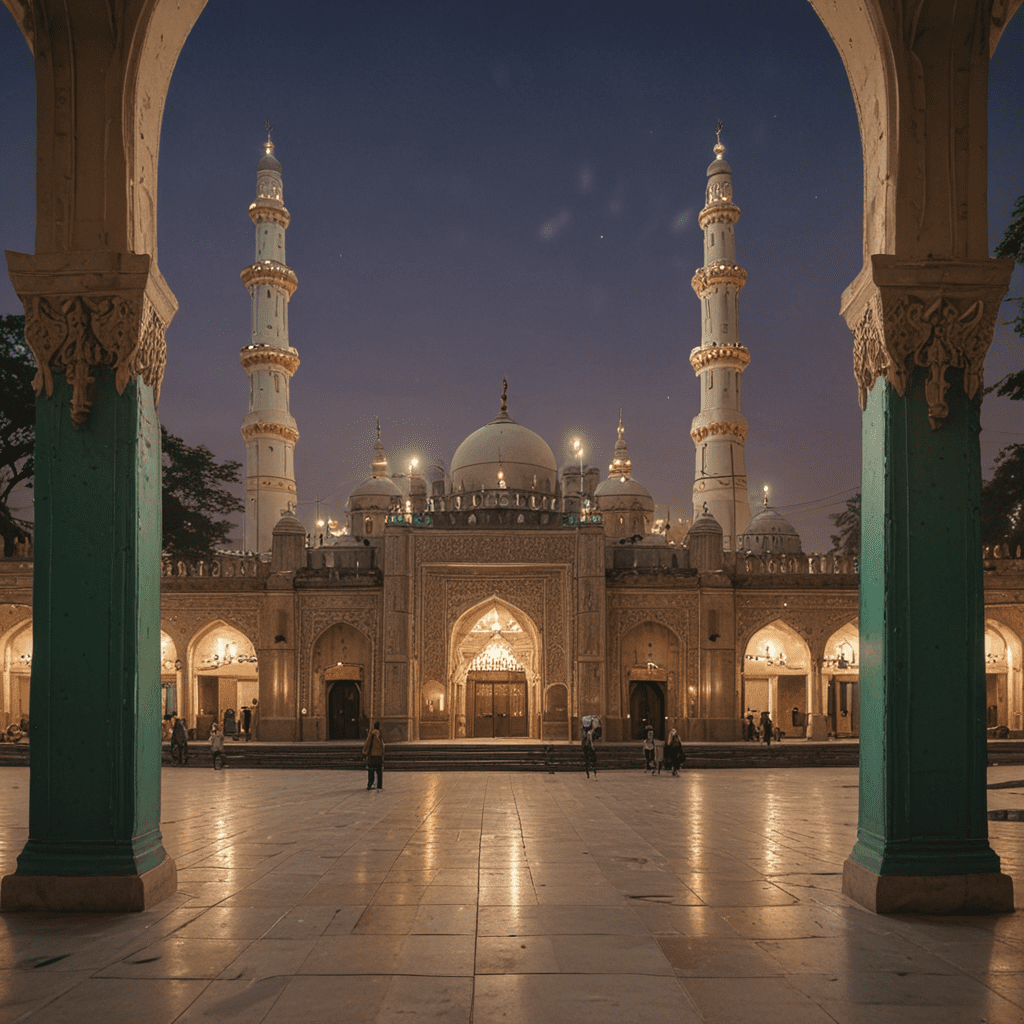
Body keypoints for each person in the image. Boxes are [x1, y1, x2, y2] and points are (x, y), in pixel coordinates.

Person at [363, 721, 385, 790]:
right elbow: (382, 745)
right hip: (379, 755)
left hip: (372, 755)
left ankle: (370, 784)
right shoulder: (380, 734)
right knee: (379, 771)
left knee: (371, 770)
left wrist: (365, 752)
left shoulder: (372, 734)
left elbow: (368, 743)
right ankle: (379, 785)